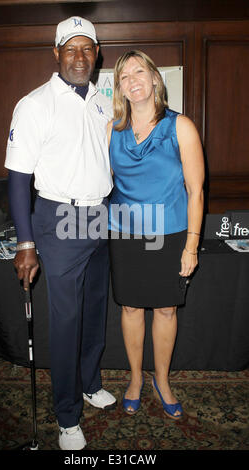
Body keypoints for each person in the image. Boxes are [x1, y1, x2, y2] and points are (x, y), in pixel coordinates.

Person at [4, 16, 116, 451]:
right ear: (57, 54)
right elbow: (17, 179)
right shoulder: (34, 104)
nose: (80, 57)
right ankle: (67, 416)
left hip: (100, 216)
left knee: (94, 312)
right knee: (66, 322)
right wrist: (26, 242)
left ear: (97, 55)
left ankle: (90, 383)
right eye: (71, 49)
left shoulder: (102, 102)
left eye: (88, 49)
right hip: (59, 219)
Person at [108, 50, 205, 419]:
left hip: (170, 233)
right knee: (130, 307)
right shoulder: (111, 130)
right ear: (119, 88)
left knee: (165, 309)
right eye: (123, 76)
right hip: (124, 233)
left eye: (138, 72)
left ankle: (161, 380)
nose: (131, 80)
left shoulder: (181, 126)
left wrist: (192, 246)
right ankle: (135, 378)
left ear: (154, 79)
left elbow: (196, 191)